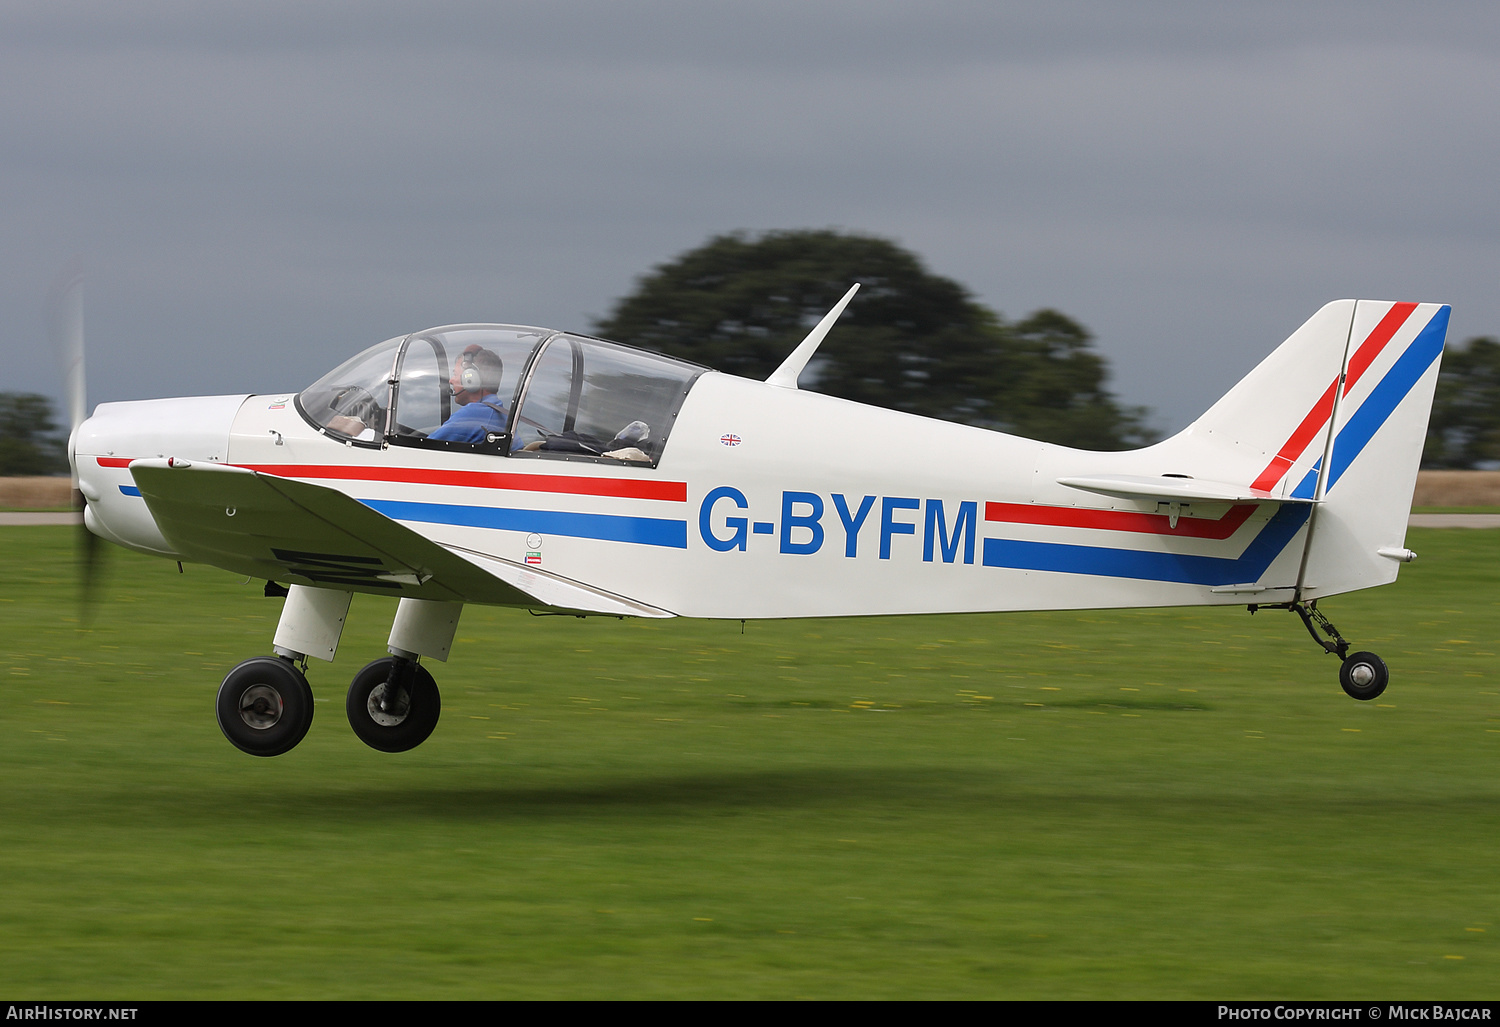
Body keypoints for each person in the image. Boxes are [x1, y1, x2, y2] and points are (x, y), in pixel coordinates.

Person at [428, 345, 506, 442]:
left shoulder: (473, 415)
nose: (451, 380)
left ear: (471, 379)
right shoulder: (499, 411)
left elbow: (425, 447)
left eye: (455, 374)